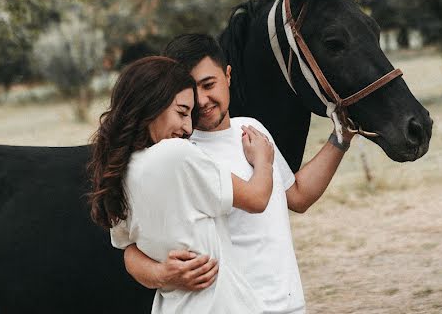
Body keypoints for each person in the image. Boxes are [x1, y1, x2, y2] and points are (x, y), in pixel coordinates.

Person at [122, 34, 355, 314]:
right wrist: (162, 274)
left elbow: (297, 196)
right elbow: (132, 247)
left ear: (228, 75)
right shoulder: (178, 153)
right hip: (233, 305)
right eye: (191, 92)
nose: (202, 100)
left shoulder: (251, 129)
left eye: (209, 84)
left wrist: (341, 137)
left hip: (288, 301)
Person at [87, 56, 277, 314]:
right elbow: (257, 199)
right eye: (181, 112)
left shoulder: (119, 171)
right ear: (151, 103)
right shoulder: (176, 155)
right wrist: (263, 160)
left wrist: (163, 274)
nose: (188, 127)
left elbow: (128, 250)